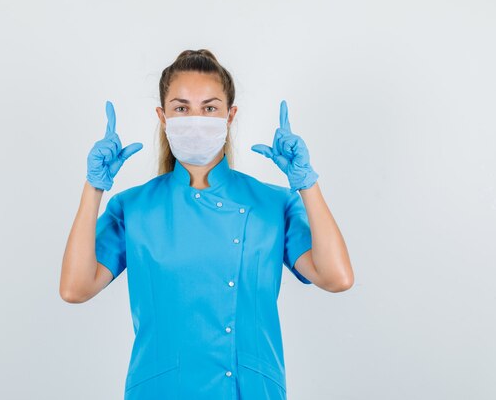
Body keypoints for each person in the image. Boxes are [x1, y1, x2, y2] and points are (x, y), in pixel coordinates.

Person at [60, 49, 353, 400]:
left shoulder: (273, 204)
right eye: (181, 108)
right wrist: (94, 188)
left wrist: (307, 184)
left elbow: (337, 278)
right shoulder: (134, 207)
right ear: (163, 116)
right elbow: (74, 289)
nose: (195, 119)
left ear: (230, 116)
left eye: (209, 108)